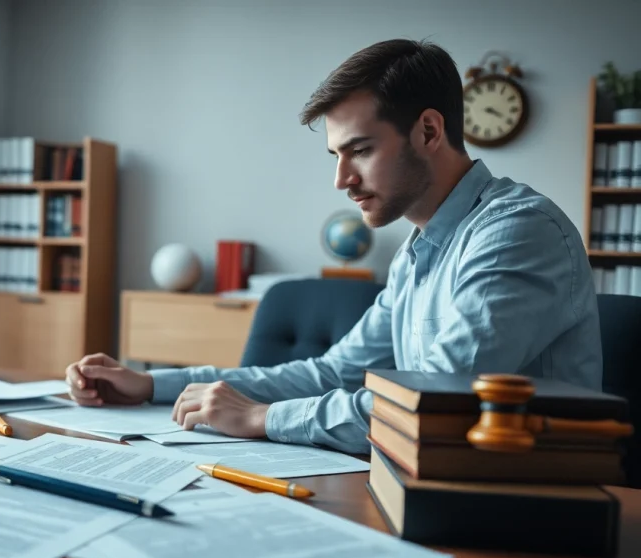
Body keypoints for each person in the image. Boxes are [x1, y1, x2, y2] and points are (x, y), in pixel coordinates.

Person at [64, 39, 601, 455]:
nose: (342, 179)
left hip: (521, 515)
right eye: (335, 156)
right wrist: (150, 383)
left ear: (429, 132)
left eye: (360, 151)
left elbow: (435, 405)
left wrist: (261, 418)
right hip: (431, 484)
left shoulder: (516, 233)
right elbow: (331, 373)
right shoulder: (417, 252)